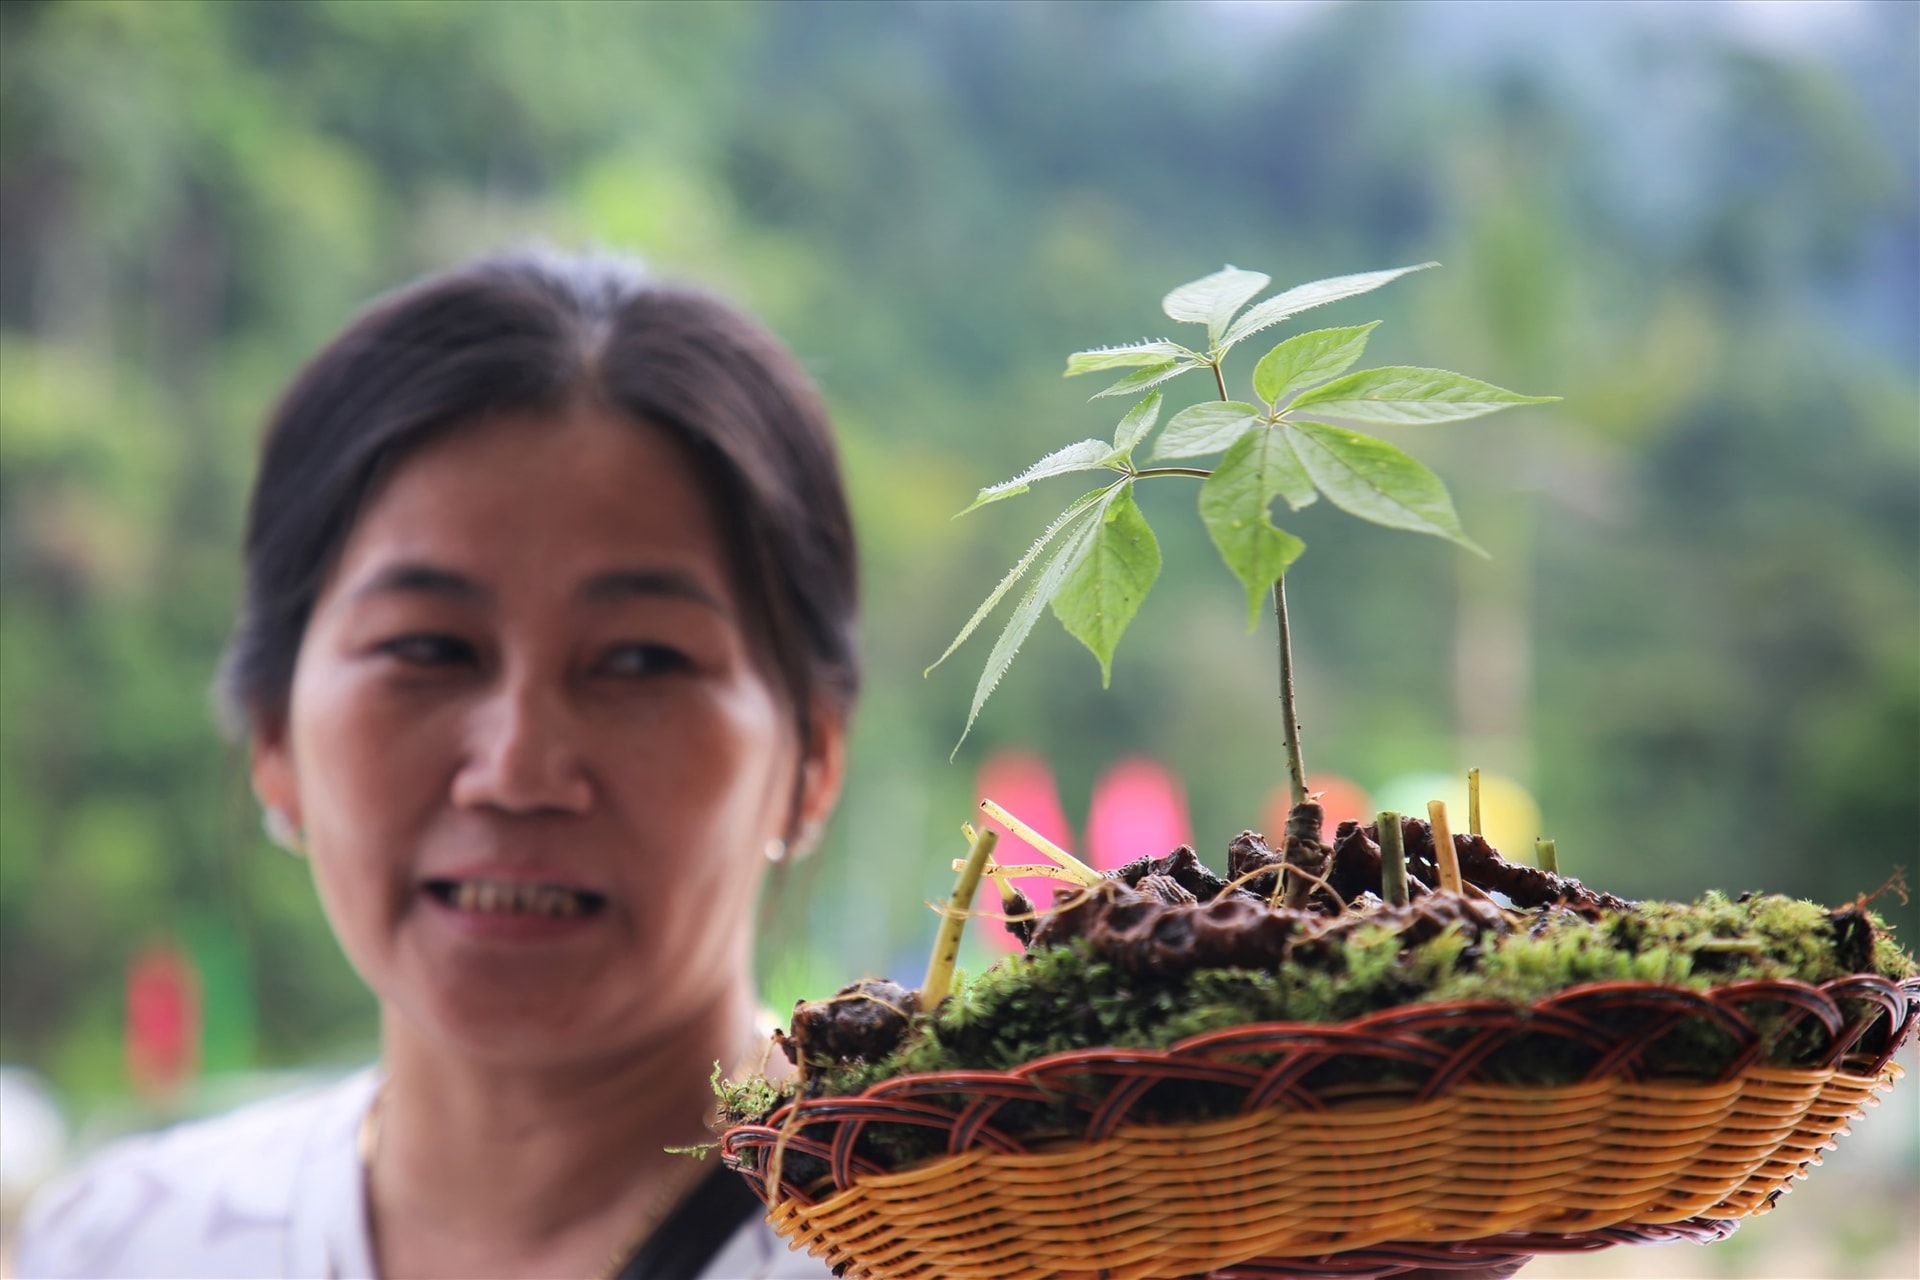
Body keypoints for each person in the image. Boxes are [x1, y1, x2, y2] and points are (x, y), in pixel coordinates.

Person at [14, 250, 854, 1280]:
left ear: (812, 753)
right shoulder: (124, 1245)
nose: (517, 769)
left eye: (640, 659)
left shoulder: (969, 1246)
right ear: (273, 734)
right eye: (427, 648)